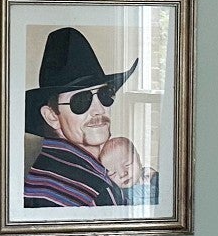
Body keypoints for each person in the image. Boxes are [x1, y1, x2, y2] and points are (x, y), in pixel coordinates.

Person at [22, 27, 137, 209]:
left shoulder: (44, 170)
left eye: (105, 95)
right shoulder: (96, 192)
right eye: (81, 101)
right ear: (52, 116)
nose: (99, 110)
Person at [97, 136, 159, 205]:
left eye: (128, 164)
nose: (122, 174)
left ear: (138, 159)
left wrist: (154, 177)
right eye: (113, 173)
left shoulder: (147, 175)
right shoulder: (116, 193)